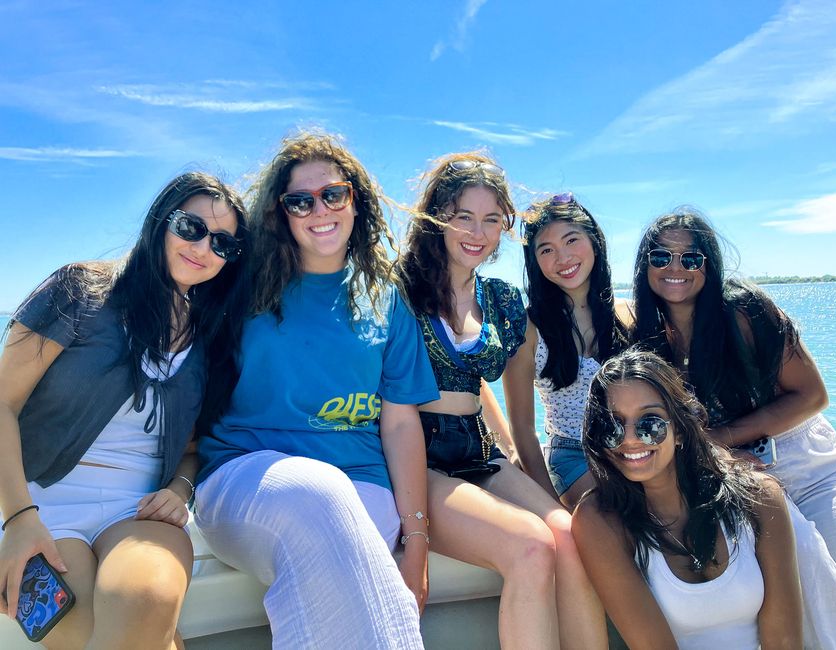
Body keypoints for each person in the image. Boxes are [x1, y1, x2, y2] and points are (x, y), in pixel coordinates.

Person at [194, 133, 435, 649]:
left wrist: (416, 539)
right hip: (244, 476)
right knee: (316, 496)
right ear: (281, 213)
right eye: (300, 201)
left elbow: (398, 423)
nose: (318, 209)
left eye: (333, 194)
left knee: (347, 554)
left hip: (364, 484)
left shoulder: (385, 298)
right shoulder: (242, 285)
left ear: (356, 200)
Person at [0, 172, 249, 649]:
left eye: (224, 244)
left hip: (137, 513)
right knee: (81, 631)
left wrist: (180, 488)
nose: (203, 248)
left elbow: (193, 448)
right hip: (41, 504)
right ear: (162, 221)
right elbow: (3, 402)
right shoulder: (78, 290)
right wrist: (17, 521)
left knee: (148, 599)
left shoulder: (210, 341)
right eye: (191, 227)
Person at [397, 154, 606, 650]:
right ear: (437, 218)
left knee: (570, 537)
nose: (479, 231)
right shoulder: (399, 289)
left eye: (492, 219)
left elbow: (482, 387)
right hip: (419, 459)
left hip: (480, 451)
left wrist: (515, 454)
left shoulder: (503, 300)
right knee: (531, 546)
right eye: (464, 216)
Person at [631, 208, 836, 611]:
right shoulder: (647, 337)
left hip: (808, 464)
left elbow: (812, 396)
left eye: (690, 258)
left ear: (709, 264)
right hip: (739, 479)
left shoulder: (744, 311)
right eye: (660, 257)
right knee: (802, 597)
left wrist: (718, 440)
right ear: (645, 266)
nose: (675, 268)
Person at [573, 347, 803, 649]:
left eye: (650, 423)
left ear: (680, 429)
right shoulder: (599, 521)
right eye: (612, 426)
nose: (629, 438)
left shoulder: (760, 497)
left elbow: (785, 640)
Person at [503, 193, 629, 511]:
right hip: (572, 453)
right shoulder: (528, 328)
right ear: (535, 261)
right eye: (547, 250)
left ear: (594, 240)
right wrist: (550, 506)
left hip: (635, 443)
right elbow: (522, 431)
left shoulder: (629, 315)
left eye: (572, 240)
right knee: (611, 516)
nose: (563, 258)